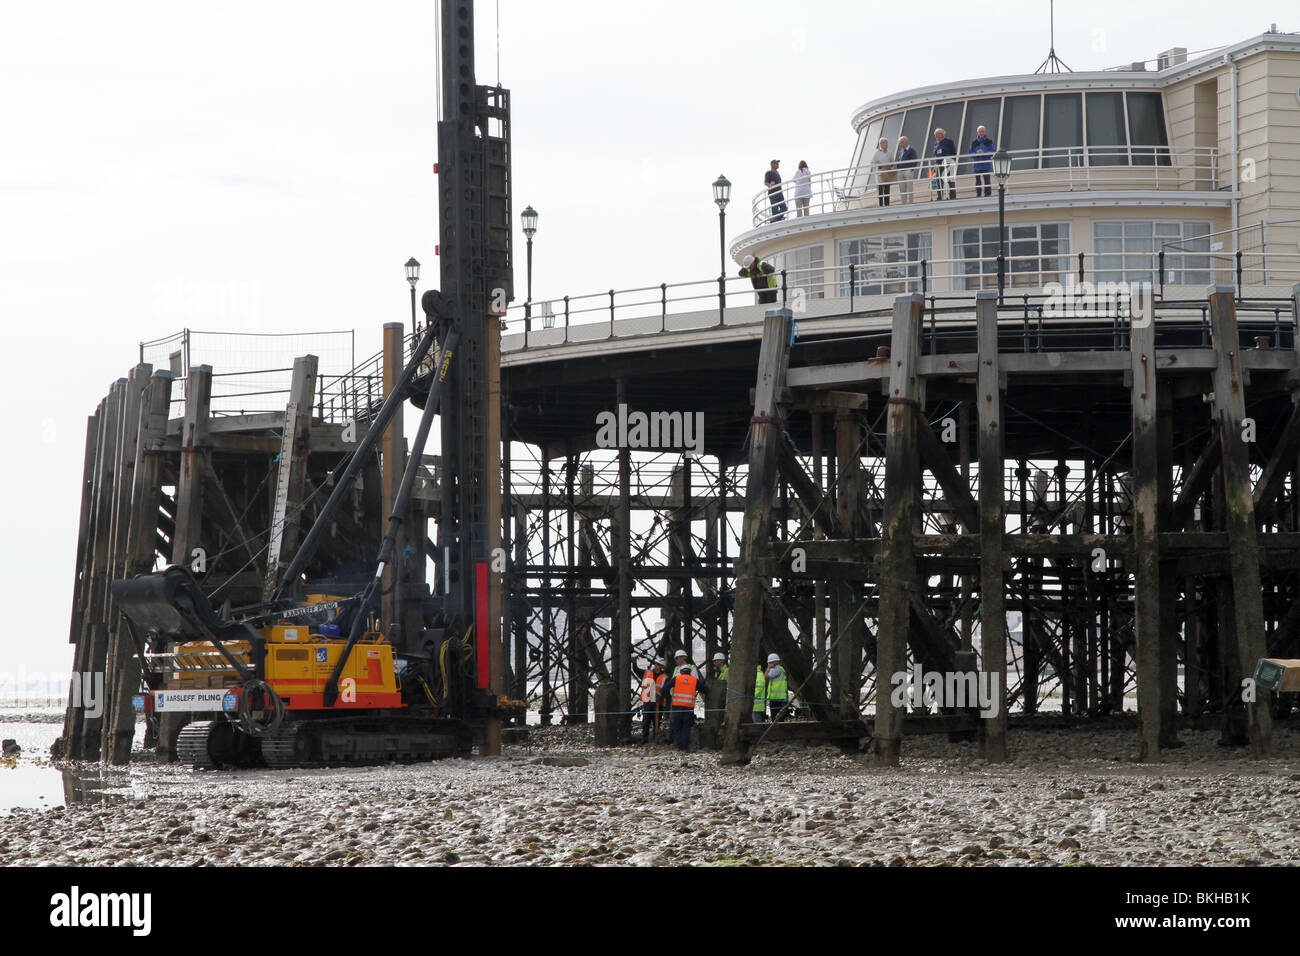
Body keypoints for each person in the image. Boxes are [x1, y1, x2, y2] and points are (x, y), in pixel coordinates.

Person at [665, 664, 706, 751]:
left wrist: (662, 695)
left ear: (681, 672)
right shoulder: (694, 680)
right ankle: (685, 746)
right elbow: (704, 689)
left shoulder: (676, 679)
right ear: (690, 672)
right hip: (688, 708)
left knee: (677, 726)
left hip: (677, 707)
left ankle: (678, 745)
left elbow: (666, 687)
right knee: (686, 727)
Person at [638, 659, 666, 744]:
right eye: (656, 664)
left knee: (656, 721)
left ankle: (656, 738)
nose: (657, 666)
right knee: (646, 721)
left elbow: (667, 688)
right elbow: (637, 671)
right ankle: (644, 739)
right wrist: (634, 664)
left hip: (658, 702)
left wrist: (661, 693)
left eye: (659, 665)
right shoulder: (647, 673)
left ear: (662, 667)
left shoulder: (665, 677)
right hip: (648, 701)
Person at [931, 128, 957, 201]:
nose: (937, 136)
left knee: (949, 180)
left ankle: (952, 196)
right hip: (939, 164)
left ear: (942, 134)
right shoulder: (936, 143)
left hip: (948, 163)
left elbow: (954, 152)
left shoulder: (949, 142)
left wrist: (952, 162)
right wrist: (935, 165)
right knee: (939, 181)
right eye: (935, 135)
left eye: (938, 134)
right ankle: (940, 196)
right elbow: (935, 155)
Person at [969, 125, 995, 198]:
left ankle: (988, 194)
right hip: (977, 164)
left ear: (985, 132)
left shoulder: (988, 141)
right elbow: (970, 153)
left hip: (985, 164)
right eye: (980, 131)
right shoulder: (974, 142)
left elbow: (993, 151)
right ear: (977, 132)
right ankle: (978, 194)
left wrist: (984, 152)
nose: (981, 133)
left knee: (987, 179)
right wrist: (977, 153)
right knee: (978, 180)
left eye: (982, 131)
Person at [764, 652, 788, 722]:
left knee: (776, 718)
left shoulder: (778, 670)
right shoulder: (778, 669)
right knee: (777, 718)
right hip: (777, 697)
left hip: (778, 698)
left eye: (769, 663)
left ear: (774, 663)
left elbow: (766, 676)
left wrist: (768, 668)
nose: (768, 664)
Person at [895, 136, 919, 204]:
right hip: (901, 171)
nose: (900, 144)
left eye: (901, 142)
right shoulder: (901, 151)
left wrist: (911, 169)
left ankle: (911, 202)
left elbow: (915, 160)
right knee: (902, 188)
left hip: (908, 171)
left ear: (906, 142)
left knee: (909, 187)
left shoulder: (911, 150)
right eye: (900, 143)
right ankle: (904, 203)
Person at [870, 137, 893, 207]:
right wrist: (880, 166)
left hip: (887, 174)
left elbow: (893, 162)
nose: (887, 144)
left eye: (887, 143)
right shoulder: (876, 153)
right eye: (886, 143)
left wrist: (889, 166)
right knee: (880, 191)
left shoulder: (890, 153)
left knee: (887, 189)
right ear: (881, 144)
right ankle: (880, 205)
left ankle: (887, 205)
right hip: (880, 174)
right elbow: (872, 164)